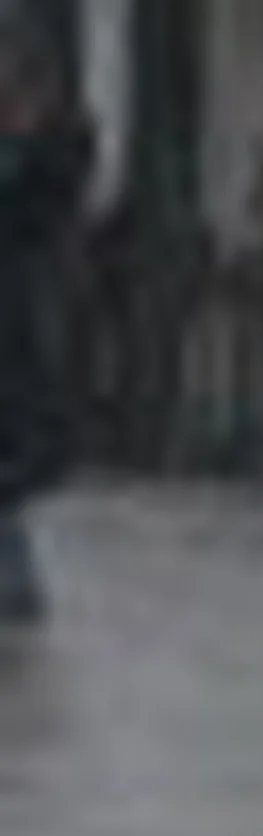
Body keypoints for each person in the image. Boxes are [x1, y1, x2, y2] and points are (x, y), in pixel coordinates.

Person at [0, 23, 94, 625]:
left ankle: (15, 585)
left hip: (20, 333)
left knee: (19, 459)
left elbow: (60, 180)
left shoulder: (43, 157)